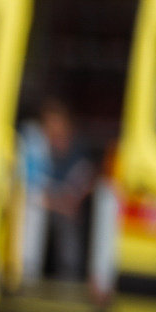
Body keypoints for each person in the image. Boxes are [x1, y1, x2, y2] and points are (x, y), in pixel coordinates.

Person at [19, 94, 101, 289]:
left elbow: (87, 179)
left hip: (67, 202)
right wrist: (55, 202)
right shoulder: (35, 142)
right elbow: (32, 183)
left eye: (57, 122)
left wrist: (70, 200)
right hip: (44, 200)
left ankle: (69, 275)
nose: (53, 128)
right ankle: (27, 271)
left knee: (69, 221)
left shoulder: (78, 146)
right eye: (49, 123)